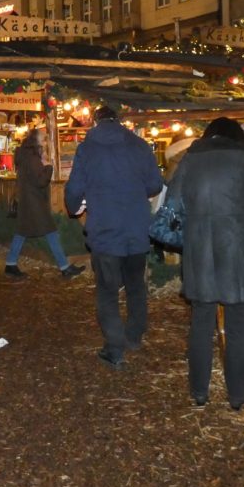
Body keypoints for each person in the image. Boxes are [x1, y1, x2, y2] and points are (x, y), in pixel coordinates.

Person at [165, 117, 244, 408]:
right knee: (237, 322)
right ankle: (237, 397)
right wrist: (238, 209)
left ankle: (199, 393)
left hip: (199, 246)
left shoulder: (190, 158)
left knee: (201, 320)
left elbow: (174, 202)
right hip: (236, 246)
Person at [65, 106, 163, 369]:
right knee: (136, 285)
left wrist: (76, 206)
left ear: (95, 121)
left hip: (105, 230)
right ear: (119, 120)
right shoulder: (139, 145)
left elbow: (74, 188)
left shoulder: (87, 148)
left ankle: (115, 347)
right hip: (136, 228)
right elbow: (155, 184)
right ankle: (134, 336)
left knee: (107, 291)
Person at [4, 128, 85, 280]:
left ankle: (11, 263)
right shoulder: (32, 157)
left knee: (23, 232)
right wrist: (48, 166)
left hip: (28, 200)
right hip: (34, 202)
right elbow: (40, 181)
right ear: (36, 141)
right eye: (44, 140)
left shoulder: (25, 155)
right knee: (50, 232)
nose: (46, 142)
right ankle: (64, 267)